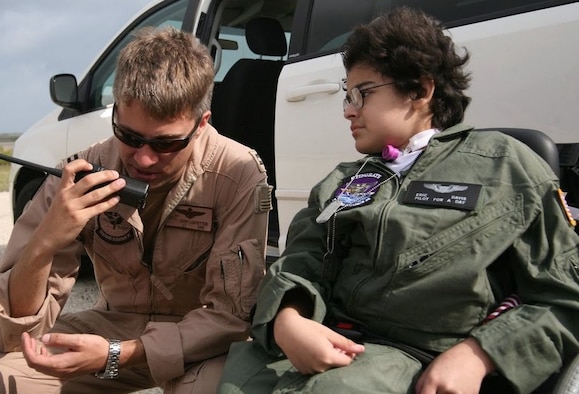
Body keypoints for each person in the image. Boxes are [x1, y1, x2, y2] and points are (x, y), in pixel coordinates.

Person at [217, 7, 579, 394]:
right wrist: (288, 318)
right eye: (347, 96)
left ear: (421, 90)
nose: (348, 110)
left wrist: (479, 353)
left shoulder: (504, 166)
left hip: (417, 357)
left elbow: (564, 299)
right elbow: (302, 259)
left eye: (363, 93)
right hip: (324, 341)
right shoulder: (346, 178)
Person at [0, 26, 271, 393]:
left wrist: (118, 354)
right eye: (129, 136)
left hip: (200, 345)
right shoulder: (83, 169)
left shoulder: (236, 173)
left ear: (201, 125)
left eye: (166, 143)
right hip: (113, 326)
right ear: (115, 112)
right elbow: (11, 334)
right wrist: (45, 241)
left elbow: (230, 317)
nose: (143, 157)